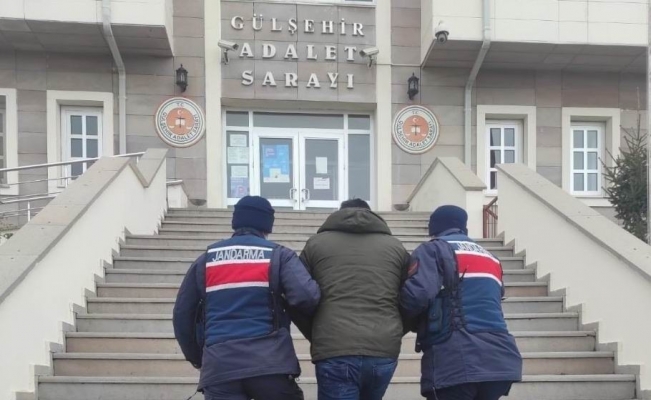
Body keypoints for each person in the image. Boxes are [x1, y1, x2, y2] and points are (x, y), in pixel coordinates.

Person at [173, 196, 321, 400]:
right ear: (267, 225)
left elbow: (182, 314)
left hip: (220, 366)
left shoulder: (206, 260)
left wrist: (198, 358)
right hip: (270, 364)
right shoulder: (279, 255)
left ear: (236, 221)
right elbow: (307, 297)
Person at [400, 205, 522, 400]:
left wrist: (394, 325)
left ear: (433, 228)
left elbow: (417, 296)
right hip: (500, 359)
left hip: (456, 359)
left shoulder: (434, 249)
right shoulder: (491, 258)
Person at [298, 198, 411, 400]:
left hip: (334, 346)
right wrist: (394, 330)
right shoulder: (396, 247)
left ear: (338, 214)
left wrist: (317, 332)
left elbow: (298, 296)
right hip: (383, 346)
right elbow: (414, 297)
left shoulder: (315, 244)